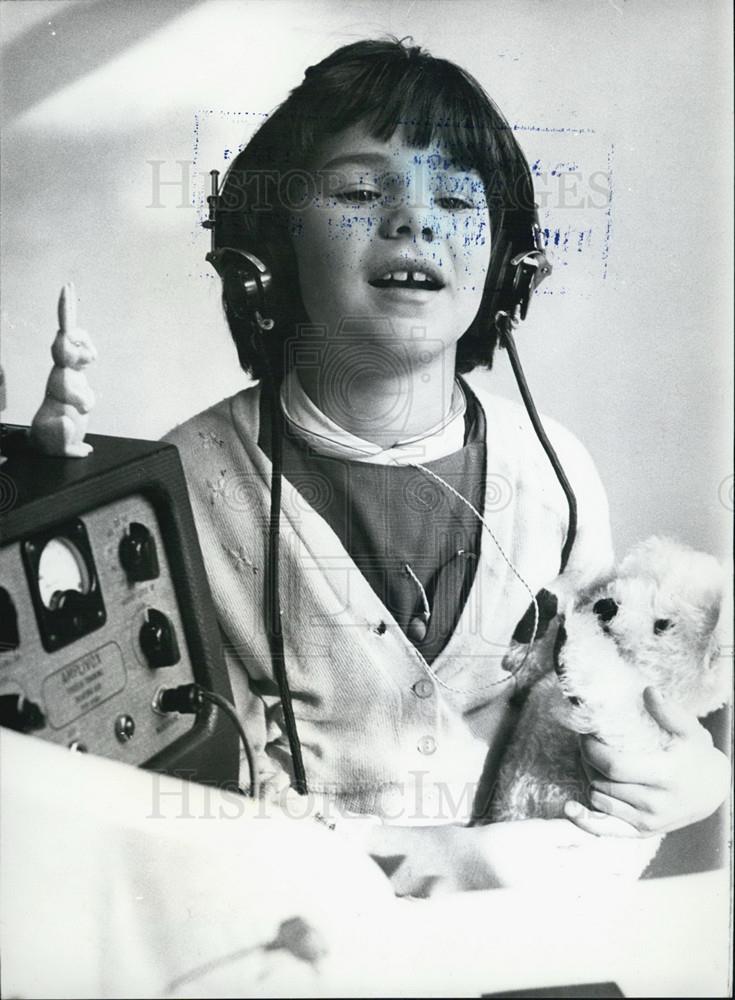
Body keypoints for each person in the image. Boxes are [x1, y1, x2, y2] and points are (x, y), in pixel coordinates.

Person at [164, 38, 729, 894]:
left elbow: (607, 711)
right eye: (360, 191)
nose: (416, 220)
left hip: (518, 918)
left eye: (459, 198)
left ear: (505, 270)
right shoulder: (179, 483)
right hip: (284, 929)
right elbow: (180, 786)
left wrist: (689, 779)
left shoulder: (555, 474)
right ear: (264, 255)